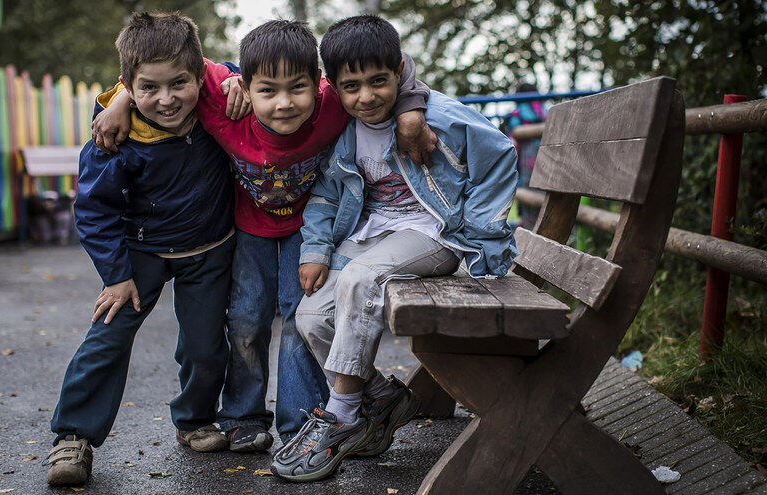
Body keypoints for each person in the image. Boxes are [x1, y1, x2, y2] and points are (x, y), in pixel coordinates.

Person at [91, 19, 437, 453]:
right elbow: (169, 67)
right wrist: (121, 99)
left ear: (319, 83)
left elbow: (394, 68)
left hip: (308, 230)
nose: (284, 104)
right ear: (246, 87)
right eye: (267, 90)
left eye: (298, 88)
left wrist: (409, 115)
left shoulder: (333, 104)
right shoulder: (223, 101)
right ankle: (242, 417)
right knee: (246, 321)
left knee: (298, 320)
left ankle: (300, 422)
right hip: (247, 230)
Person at [271, 14, 519, 482]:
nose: (366, 97)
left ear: (399, 71)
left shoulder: (439, 117)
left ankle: (342, 418)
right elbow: (325, 193)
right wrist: (316, 249)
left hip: (435, 235)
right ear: (335, 87)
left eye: (379, 81)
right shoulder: (345, 131)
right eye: (352, 86)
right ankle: (383, 398)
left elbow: (501, 155)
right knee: (309, 316)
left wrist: (483, 230)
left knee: (365, 279)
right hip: (372, 236)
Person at [45, 12, 237, 487]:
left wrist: (238, 82)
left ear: (199, 77)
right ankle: (73, 435)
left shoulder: (218, 102)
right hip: (140, 254)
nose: (167, 99)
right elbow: (93, 208)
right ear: (128, 85)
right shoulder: (115, 137)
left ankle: (194, 421)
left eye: (180, 84)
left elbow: (233, 71)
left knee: (205, 345)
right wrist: (115, 274)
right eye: (148, 88)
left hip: (208, 249)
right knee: (108, 337)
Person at [503, 82, 547, 230]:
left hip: (526, 161)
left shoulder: (517, 114)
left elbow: (512, 142)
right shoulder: (545, 112)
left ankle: (528, 227)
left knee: (526, 194)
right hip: (548, 160)